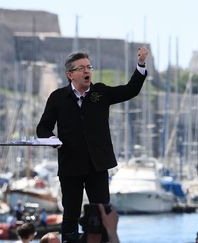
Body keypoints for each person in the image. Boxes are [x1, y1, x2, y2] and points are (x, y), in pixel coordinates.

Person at [36, 47, 148, 242]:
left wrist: (140, 65)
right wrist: (55, 142)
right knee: (70, 212)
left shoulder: (101, 92)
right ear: (70, 74)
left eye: (89, 67)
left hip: (98, 164)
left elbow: (131, 90)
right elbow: (43, 128)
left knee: (102, 211)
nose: (87, 71)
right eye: (81, 68)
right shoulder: (58, 97)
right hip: (70, 164)